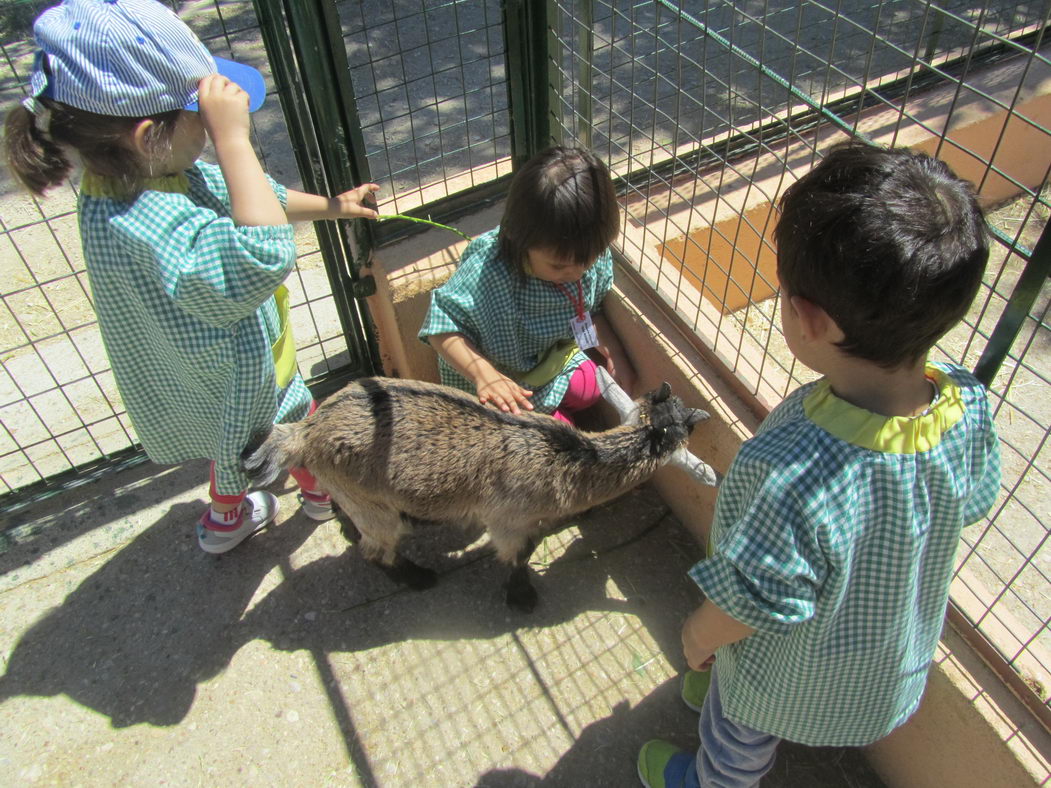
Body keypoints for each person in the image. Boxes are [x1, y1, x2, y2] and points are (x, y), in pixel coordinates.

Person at [637, 142, 1001, 787]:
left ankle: (711, 780)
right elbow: (968, 502)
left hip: (782, 679)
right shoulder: (966, 402)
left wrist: (698, 636)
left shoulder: (788, 471)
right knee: (731, 683)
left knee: (734, 729)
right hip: (884, 677)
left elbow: (751, 604)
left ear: (810, 319)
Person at [4, 0, 380, 554]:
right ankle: (246, 515)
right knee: (246, 448)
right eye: (203, 114)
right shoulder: (143, 221)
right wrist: (236, 142)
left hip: (239, 359)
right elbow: (259, 253)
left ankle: (302, 497)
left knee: (293, 423)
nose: (214, 123)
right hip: (232, 381)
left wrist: (332, 206)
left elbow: (259, 199)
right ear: (146, 134)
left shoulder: (143, 175)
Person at [418, 145, 636, 424]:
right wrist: (486, 376)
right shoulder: (490, 270)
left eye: (588, 260)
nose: (576, 273)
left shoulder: (583, 253)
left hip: (544, 359)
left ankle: (550, 408)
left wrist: (615, 351)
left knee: (590, 388)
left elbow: (588, 312)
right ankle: (547, 416)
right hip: (495, 376)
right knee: (556, 439)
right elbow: (440, 329)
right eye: (558, 266)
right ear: (519, 239)